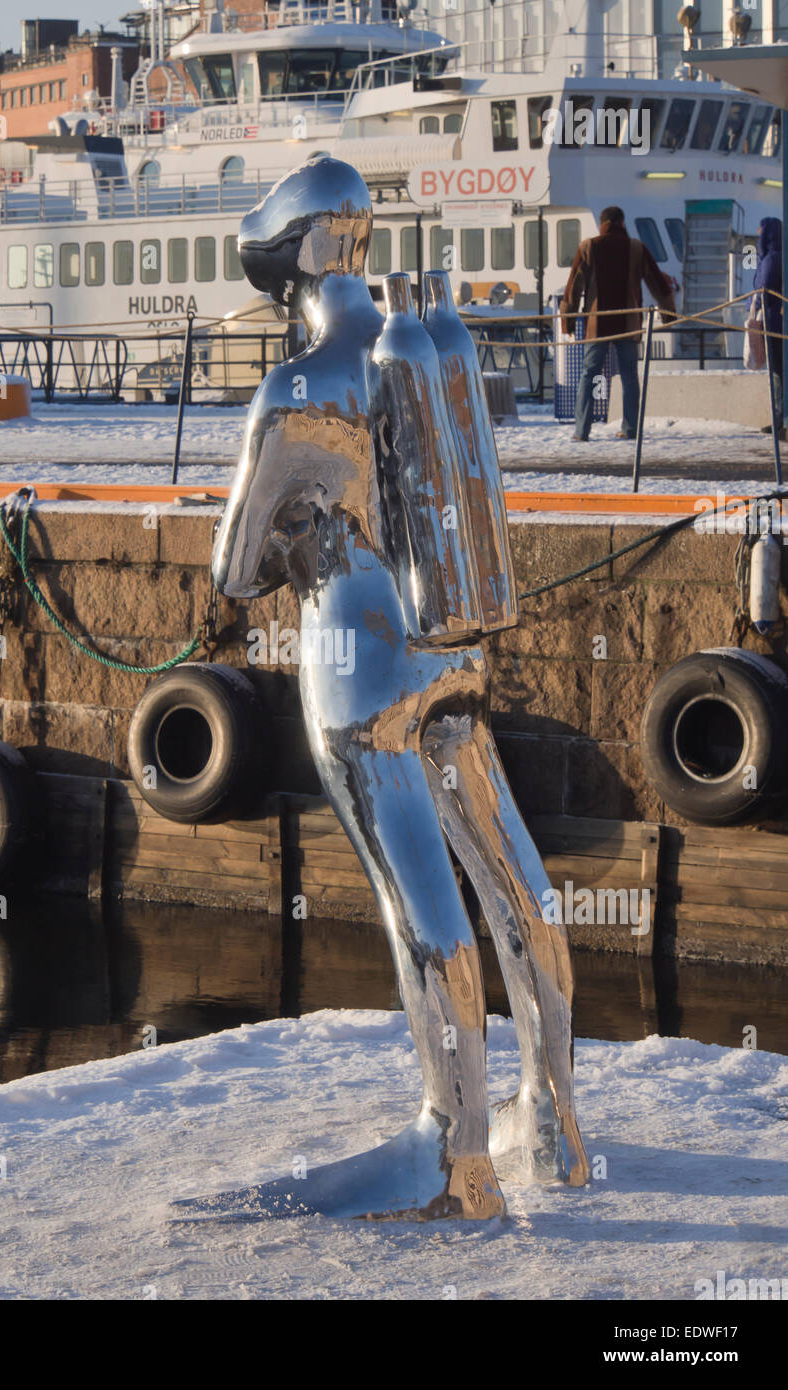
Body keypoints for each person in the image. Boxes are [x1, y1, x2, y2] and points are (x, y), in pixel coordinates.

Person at [193, 156, 588, 1222]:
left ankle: (450, 1157)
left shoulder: (299, 384)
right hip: (451, 644)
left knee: (418, 900)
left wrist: (295, 533)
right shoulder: (423, 346)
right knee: (513, 878)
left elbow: (233, 570)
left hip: (356, 669)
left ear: (290, 271)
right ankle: (552, 1124)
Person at [561, 206, 677, 441]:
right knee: (629, 377)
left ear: (602, 223)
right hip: (628, 324)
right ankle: (631, 428)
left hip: (597, 326)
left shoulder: (588, 247)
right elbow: (658, 284)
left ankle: (582, 430)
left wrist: (568, 322)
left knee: (589, 375)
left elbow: (574, 288)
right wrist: (668, 315)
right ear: (622, 223)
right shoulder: (636, 248)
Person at [754, 217, 784, 435]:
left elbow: (761, 289)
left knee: (776, 373)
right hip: (779, 320)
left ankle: (779, 419)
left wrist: (751, 304)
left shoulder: (771, 259)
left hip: (774, 322)